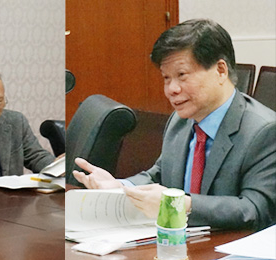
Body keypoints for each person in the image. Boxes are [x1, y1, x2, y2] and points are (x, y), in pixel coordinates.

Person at [73, 19, 276, 230]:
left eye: (181, 75)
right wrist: (122, 186)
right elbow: (160, 174)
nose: (172, 89)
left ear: (221, 71)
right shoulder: (180, 121)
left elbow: (256, 210)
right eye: (166, 78)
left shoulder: (264, 131)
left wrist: (181, 205)